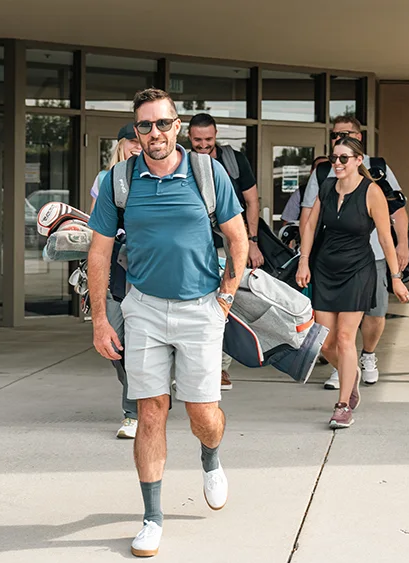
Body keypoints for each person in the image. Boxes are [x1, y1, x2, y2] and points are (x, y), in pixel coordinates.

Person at [87, 88, 248, 557]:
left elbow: (237, 240)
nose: (154, 133)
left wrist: (224, 299)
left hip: (201, 309)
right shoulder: (119, 180)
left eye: (162, 124)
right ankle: (151, 518)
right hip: (144, 310)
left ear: (176, 126)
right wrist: (100, 319)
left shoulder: (206, 171)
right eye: (145, 126)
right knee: (150, 411)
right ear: (135, 132)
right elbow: (98, 253)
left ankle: (211, 458)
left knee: (203, 416)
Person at [296, 136, 409, 429]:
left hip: (358, 269)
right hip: (324, 269)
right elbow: (309, 225)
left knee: (346, 338)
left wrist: (395, 278)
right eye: (334, 158)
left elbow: (386, 238)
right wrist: (304, 260)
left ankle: (343, 405)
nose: (336, 163)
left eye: (343, 158)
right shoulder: (326, 187)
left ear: (359, 161)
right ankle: (351, 377)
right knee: (324, 344)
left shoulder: (371, 192)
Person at [188, 113, 262, 391]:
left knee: (226, 304)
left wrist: (251, 241)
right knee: (194, 305)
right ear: (189, 137)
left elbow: (252, 201)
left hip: (230, 243)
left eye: (208, 139)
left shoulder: (234, 161)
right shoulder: (183, 161)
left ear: (216, 136)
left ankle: (220, 368)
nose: (203, 145)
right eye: (197, 140)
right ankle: (193, 366)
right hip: (194, 245)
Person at [88, 123, 142, 439]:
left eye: (140, 141)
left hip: (148, 273)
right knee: (114, 344)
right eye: (130, 141)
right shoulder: (106, 180)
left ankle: (133, 413)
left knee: (137, 347)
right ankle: (148, 392)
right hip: (114, 274)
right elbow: (96, 228)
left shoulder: (154, 178)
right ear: (120, 145)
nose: (136, 146)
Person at [89, 123, 141, 213]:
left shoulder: (155, 177)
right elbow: (95, 220)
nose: (139, 147)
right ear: (121, 145)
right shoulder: (104, 178)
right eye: (133, 141)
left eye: (142, 142)